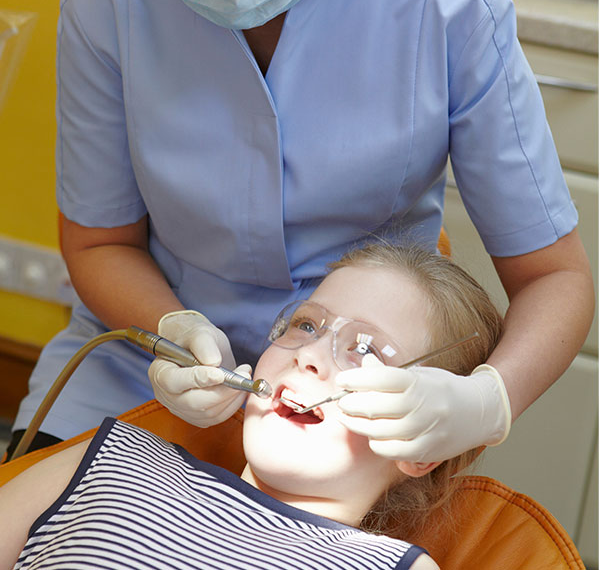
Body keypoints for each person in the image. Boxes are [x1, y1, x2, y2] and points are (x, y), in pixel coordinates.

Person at [7, 0, 593, 465]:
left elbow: (554, 279)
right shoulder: (105, 1)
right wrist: (170, 331)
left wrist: (487, 400)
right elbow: (98, 242)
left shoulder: (447, 2)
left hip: (354, 405)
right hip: (140, 371)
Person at [1, 242, 504, 569]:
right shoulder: (116, 458)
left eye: (365, 349)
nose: (307, 355)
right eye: (306, 325)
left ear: (423, 446)